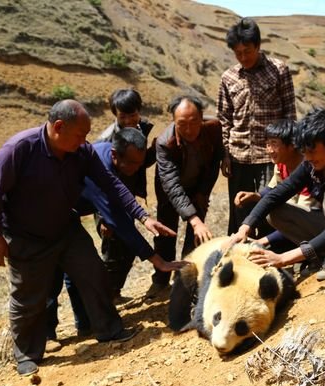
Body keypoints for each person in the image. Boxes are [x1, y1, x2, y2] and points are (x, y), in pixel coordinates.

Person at [0, 100, 182, 376]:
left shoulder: (81, 152)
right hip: (25, 235)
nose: (85, 141)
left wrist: (143, 216)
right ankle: (27, 353)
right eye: (80, 135)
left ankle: (109, 330)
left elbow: (111, 185)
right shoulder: (19, 149)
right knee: (29, 297)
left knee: (93, 273)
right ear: (59, 127)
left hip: (65, 228)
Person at [46, 128, 187, 342]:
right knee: (54, 278)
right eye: (131, 163)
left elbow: (120, 192)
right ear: (115, 154)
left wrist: (144, 217)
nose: (135, 168)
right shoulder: (100, 163)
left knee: (78, 272)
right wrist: (157, 260)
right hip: (48, 216)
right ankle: (45, 337)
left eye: (140, 164)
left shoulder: (111, 158)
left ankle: (86, 326)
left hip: (68, 216)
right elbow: (118, 220)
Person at [228, 107, 325, 281]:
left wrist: (283, 258)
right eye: (304, 151)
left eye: (312, 150)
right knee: (275, 212)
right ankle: (322, 254)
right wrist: (245, 228)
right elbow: (277, 194)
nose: (307, 157)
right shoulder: (311, 164)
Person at [217, 17, 297, 237]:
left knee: (272, 208)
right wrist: (225, 154)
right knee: (240, 211)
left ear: (258, 46)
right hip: (238, 156)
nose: (243, 57)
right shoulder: (228, 77)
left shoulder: (279, 70)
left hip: (270, 156)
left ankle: (273, 258)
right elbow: (224, 118)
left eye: (247, 51)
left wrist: (289, 152)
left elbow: (290, 113)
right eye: (238, 53)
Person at [151, 95, 224, 297]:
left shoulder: (213, 128)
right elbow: (172, 185)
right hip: (169, 191)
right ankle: (160, 280)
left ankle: (186, 279)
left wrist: (203, 192)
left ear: (202, 118)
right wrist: (193, 219)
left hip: (198, 185)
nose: (189, 130)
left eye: (194, 123)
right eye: (182, 124)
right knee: (166, 232)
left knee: (196, 236)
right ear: (173, 121)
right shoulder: (165, 143)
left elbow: (214, 163)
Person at [234, 119, 320, 253]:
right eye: (267, 144)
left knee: (273, 212)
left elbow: (299, 223)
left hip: (316, 226)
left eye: (274, 144)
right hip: (295, 222)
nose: (269, 150)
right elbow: (274, 189)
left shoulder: (309, 169)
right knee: (254, 203)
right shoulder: (282, 164)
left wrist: (263, 241)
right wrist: (256, 196)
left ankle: (312, 253)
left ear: (292, 145)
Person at [98, 88, 155, 200]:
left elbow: (137, 162)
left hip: (129, 191)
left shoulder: (142, 129)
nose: (128, 121)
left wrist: (154, 151)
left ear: (139, 111)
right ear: (115, 115)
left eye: (133, 115)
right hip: (109, 197)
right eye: (122, 117)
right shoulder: (106, 140)